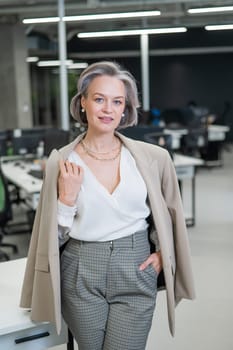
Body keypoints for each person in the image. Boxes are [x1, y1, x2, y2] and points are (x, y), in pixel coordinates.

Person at [20, 61, 195, 350]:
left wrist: (165, 253)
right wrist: (67, 200)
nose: (108, 109)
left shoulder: (153, 158)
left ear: (126, 108)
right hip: (81, 270)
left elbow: (167, 215)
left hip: (135, 264)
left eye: (117, 102)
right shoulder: (62, 161)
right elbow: (50, 239)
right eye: (99, 99)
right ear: (83, 103)